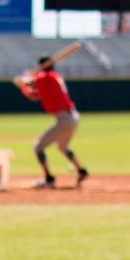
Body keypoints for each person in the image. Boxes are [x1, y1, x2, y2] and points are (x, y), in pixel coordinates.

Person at [15, 54, 86, 187]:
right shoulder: (52, 77)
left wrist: (22, 81)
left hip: (65, 118)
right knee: (62, 147)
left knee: (38, 147)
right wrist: (24, 86)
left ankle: (49, 179)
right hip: (72, 117)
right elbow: (34, 95)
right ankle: (81, 171)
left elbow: (31, 83)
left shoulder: (46, 77)